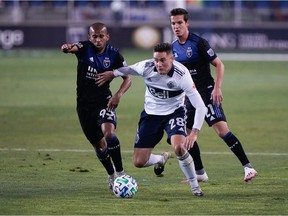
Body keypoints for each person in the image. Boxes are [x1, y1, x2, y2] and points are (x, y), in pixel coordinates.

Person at [96, 42, 208, 196]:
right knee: (138, 162)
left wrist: (194, 132)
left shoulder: (182, 75)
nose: (158, 64)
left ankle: (195, 187)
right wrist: (113, 73)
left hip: (174, 113)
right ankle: (161, 159)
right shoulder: (147, 66)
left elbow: (201, 106)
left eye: (162, 60)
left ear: (172, 59)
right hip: (150, 116)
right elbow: (129, 69)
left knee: (180, 148)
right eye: (156, 60)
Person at [168, 8, 258, 182]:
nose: (176, 26)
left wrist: (217, 88)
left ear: (187, 23)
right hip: (189, 97)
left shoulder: (198, 43)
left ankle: (248, 167)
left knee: (222, 130)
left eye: (180, 23)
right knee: (185, 135)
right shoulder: (172, 48)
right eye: (173, 23)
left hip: (207, 92)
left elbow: (219, 64)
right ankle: (200, 173)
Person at [60, 22, 132, 191]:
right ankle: (111, 174)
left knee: (109, 133)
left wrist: (118, 94)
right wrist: (66, 48)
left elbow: (128, 77)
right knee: (99, 146)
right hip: (84, 106)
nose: (98, 40)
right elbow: (71, 48)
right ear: (89, 37)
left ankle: (121, 173)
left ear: (107, 37)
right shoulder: (84, 48)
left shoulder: (114, 55)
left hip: (104, 101)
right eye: (94, 36)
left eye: (101, 36)